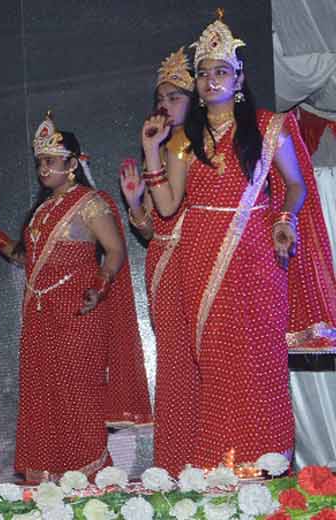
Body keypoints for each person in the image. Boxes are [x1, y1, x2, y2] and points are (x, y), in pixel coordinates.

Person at [136, 10, 336, 467]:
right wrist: (151, 150)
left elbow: (296, 184)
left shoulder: (268, 127)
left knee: (259, 362)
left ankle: (265, 462)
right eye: (204, 73)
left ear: (239, 78)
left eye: (221, 72)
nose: (211, 81)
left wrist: (284, 219)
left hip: (257, 257)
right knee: (216, 364)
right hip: (200, 255)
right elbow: (167, 205)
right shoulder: (184, 141)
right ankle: (219, 463)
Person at [0, 113, 150, 482]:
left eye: (51, 161)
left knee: (79, 396)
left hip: (78, 310)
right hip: (40, 317)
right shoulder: (42, 210)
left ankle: (89, 480)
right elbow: (27, 259)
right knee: (43, 398)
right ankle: (51, 483)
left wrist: (100, 285)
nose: (43, 168)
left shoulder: (89, 203)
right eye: (40, 162)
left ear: (72, 164)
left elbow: (115, 250)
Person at [119, 47, 200, 472]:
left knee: (209, 359)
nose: (165, 106)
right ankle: (176, 465)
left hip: (204, 259)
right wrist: (135, 204)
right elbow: (154, 226)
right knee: (176, 365)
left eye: (175, 97)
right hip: (165, 265)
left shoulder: (204, 145)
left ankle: (214, 461)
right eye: (160, 100)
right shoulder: (163, 147)